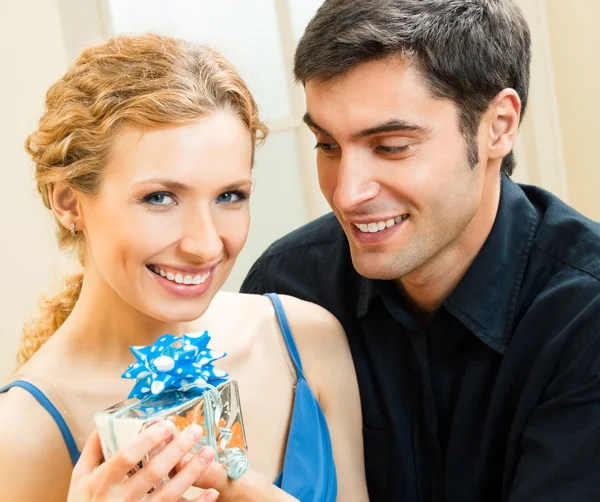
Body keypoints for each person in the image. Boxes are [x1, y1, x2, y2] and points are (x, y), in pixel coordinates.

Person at [240, 0, 600, 501]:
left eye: (391, 147)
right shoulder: (287, 288)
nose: (346, 193)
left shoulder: (586, 315)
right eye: (327, 146)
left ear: (498, 126)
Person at [0, 33, 368, 502]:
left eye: (229, 196)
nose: (205, 244)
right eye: (159, 198)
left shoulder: (307, 339)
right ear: (69, 201)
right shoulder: (19, 438)